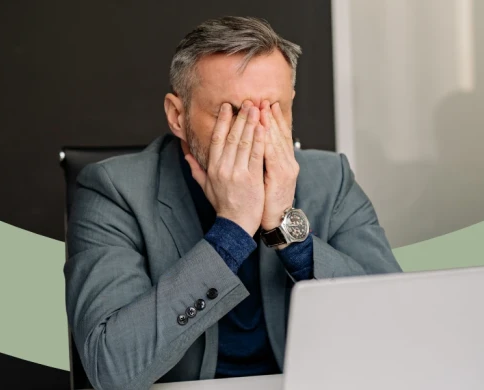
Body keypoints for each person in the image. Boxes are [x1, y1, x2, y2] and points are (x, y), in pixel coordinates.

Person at [64, 16, 401, 390]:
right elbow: (110, 368)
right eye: (233, 113)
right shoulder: (114, 190)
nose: (255, 133)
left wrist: (287, 230)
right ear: (178, 115)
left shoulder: (330, 179)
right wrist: (233, 230)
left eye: (273, 109)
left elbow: (400, 327)